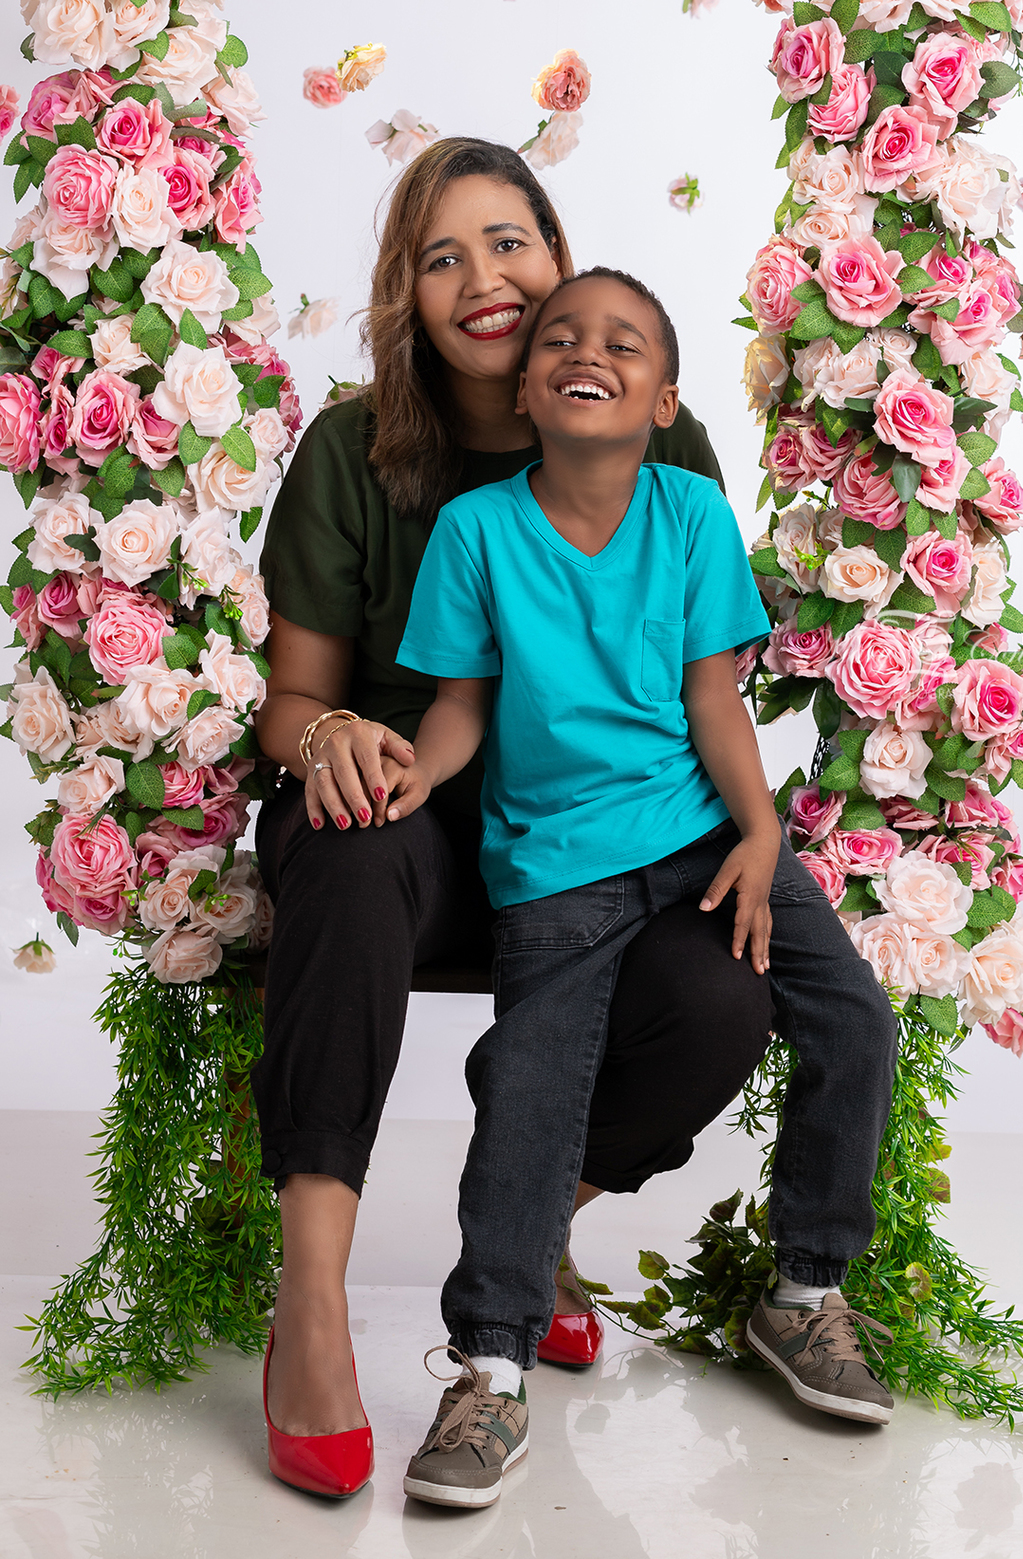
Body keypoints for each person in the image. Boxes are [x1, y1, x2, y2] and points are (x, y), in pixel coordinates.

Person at [250, 140, 774, 1497]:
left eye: (509, 242)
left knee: (726, 985)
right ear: (406, 297)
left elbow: (706, 671)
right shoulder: (353, 452)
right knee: (354, 845)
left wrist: (753, 827)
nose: (484, 278)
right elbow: (291, 693)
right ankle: (310, 1298)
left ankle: (536, 1226)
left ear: (559, 256)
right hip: (410, 819)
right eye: (442, 256)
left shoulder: (665, 439)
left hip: (593, 840)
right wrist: (329, 734)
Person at [391, 267, 900, 1511]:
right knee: (532, 1077)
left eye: (624, 343)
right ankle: (493, 1368)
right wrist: (408, 772)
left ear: (663, 397)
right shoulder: (477, 531)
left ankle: (805, 1291)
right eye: (561, 336)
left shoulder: (688, 512)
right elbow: (460, 709)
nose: (589, 350)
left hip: (700, 833)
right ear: (527, 386)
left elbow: (712, 698)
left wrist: (763, 832)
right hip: (558, 860)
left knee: (854, 1018)